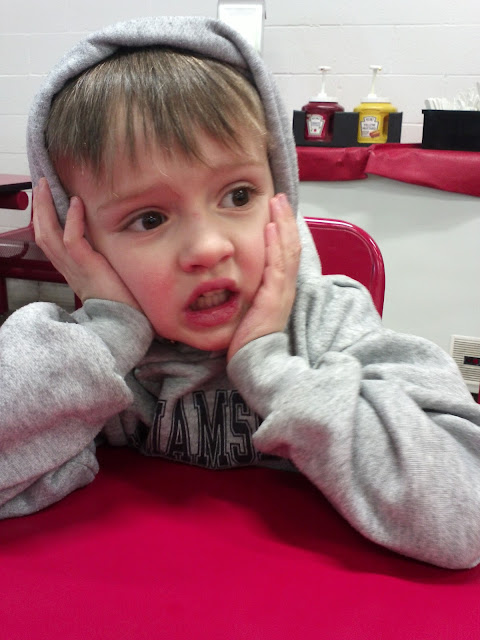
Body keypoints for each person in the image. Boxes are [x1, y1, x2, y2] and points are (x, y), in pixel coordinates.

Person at [1, 16, 480, 570]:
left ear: (282, 196)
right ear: (81, 241)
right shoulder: (86, 361)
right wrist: (110, 334)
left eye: (238, 195)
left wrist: (269, 367)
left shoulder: (330, 322)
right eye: (149, 218)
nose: (208, 247)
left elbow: (464, 515)